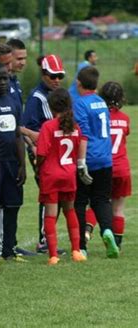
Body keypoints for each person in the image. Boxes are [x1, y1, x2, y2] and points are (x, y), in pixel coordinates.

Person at [36, 88, 87, 265]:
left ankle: (53, 255)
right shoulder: (74, 127)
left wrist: (38, 165)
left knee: (50, 215)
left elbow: (41, 152)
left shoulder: (48, 126)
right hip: (69, 174)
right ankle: (76, 251)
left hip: (51, 175)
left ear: (50, 107)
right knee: (70, 211)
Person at [72, 66, 119, 258]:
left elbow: (83, 132)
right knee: (101, 199)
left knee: (80, 202)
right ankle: (107, 230)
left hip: (88, 158)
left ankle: (81, 246)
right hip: (105, 159)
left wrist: (81, 162)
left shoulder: (79, 104)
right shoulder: (101, 101)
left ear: (79, 83)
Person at [23, 54, 67, 254]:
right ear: (43, 74)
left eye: (59, 75)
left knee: (55, 195)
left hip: (56, 154)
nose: (56, 79)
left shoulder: (58, 95)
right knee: (49, 196)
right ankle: (44, 240)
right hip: (41, 153)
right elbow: (26, 128)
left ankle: (47, 238)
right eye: (52, 75)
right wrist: (35, 151)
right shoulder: (37, 98)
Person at [0, 62, 26, 262]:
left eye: (5, 78)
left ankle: (10, 249)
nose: (3, 82)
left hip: (11, 162)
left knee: (13, 205)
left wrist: (23, 164)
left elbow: (18, 134)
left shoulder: (14, 101)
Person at [98, 82, 131, 248]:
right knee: (118, 208)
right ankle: (116, 244)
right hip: (122, 168)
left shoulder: (100, 116)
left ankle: (86, 234)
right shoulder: (125, 118)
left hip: (105, 166)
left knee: (97, 202)